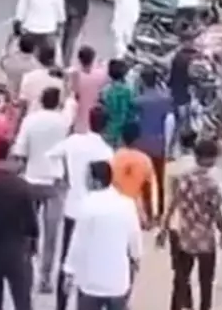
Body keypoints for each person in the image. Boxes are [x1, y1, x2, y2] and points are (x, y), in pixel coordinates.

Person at [48, 107, 115, 310]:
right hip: (95, 211)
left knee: (67, 258)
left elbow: (50, 154)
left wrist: (61, 176)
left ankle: (61, 304)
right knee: (90, 259)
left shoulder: (73, 141)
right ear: (106, 126)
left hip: (72, 207)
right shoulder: (106, 151)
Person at [61, 160, 143, 310]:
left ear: (96, 182)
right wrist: (136, 256)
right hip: (118, 280)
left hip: (90, 281)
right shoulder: (126, 204)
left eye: (87, 177)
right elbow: (134, 235)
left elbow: (78, 241)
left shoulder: (86, 205)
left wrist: (69, 270)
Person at [13, 86, 71, 293]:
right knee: (52, 233)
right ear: (58, 102)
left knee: (27, 229)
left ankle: (26, 268)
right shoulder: (64, 123)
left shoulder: (30, 120)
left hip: (31, 179)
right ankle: (45, 278)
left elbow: (20, 151)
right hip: (54, 182)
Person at [158, 138, 222, 310]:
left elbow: (173, 204)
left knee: (181, 279)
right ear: (211, 159)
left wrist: (164, 229)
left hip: (185, 237)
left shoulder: (184, 178)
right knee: (206, 283)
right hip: (205, 239)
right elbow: (216, 212)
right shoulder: (211, 184)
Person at [0, 137, 38, 310]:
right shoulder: (22, 186)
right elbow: (31, 223)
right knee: (22, 300)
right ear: (9, 155)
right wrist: (32, 247)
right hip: (16, 249)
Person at [135, 68, 172, 218]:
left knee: (146, 181)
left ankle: (149, 213)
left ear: (142, 81)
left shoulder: (138, 101)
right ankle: (161, 211)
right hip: (159, 143)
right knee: (160, 178)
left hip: (142, 144)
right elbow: (170, 122)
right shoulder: (165, 99)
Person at [111, 122, 156, 227]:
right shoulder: (145, 160)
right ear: (138, 139)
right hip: (135, 212)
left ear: (121, 138)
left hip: (114, 210)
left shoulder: (113, 158)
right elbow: (148, 192)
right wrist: (150, 217)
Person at [100, 59, 137, 147]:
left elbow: (104, 111)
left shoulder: (106, 91)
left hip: (108, 130)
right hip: (123, 131)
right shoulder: (130, 90)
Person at [70, 46, 106, 134]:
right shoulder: (100, 75)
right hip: (94, 121)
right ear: (93, 59)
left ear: (79, 59)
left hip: (78, 120)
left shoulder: (74, 76)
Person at [19, 44, 62, 114]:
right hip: (55, 119)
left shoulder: (28, 77)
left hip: (32, 118)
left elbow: (23, 106)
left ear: (37, 58)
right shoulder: (61, 80)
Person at [0, 34, 39, 99]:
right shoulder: (36, 65)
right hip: (28, 97)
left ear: (19, 46)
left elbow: (2, 63)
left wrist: (9, 44)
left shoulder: (10, 61)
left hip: (11, 95)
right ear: (34, 48)